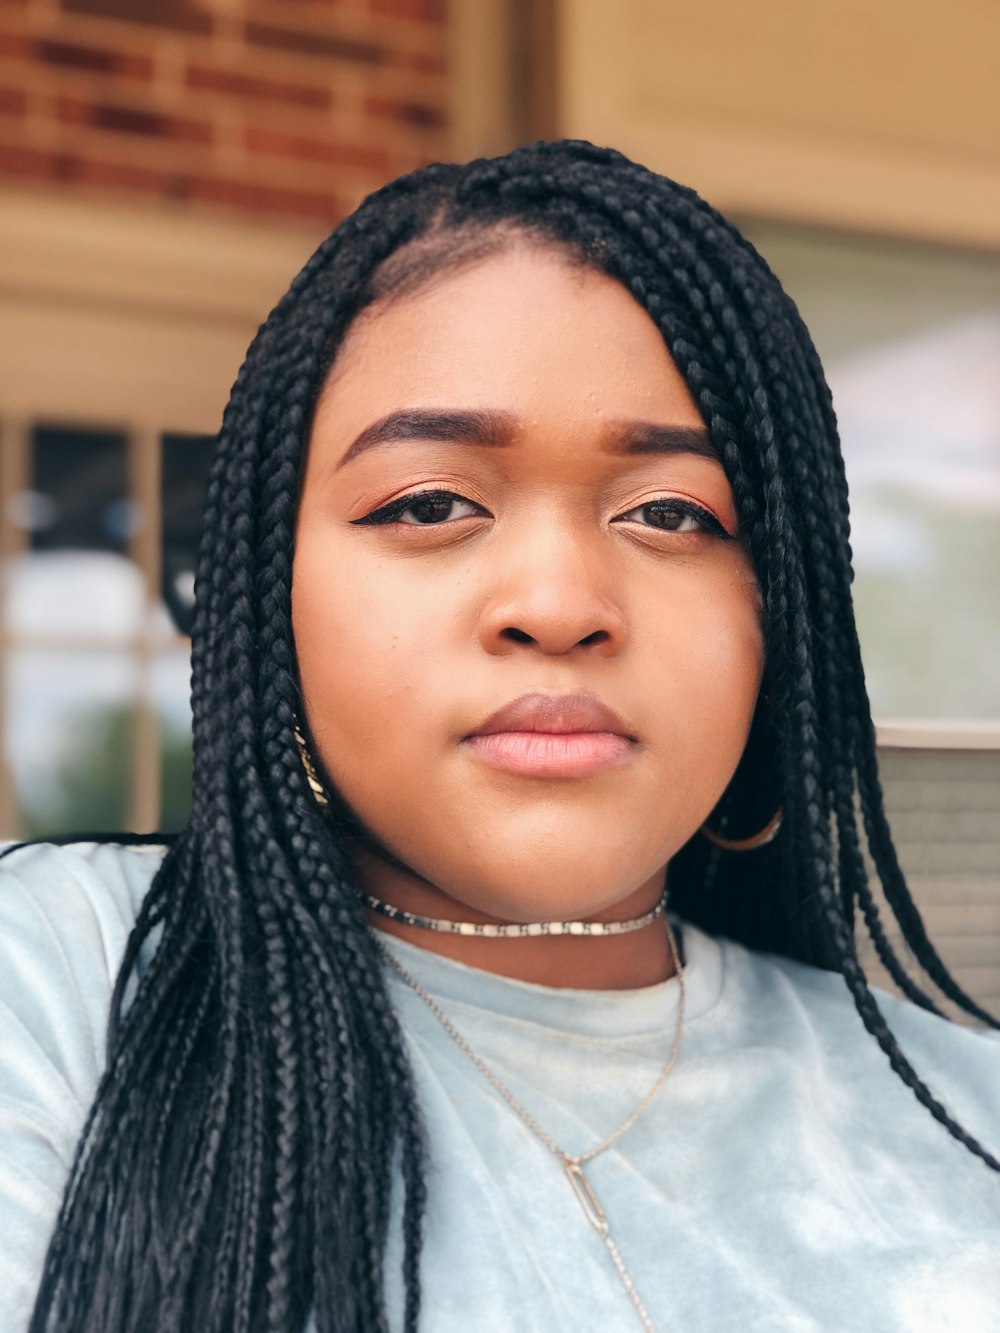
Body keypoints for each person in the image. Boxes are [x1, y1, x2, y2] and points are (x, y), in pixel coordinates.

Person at [1, 139, 997, 1333]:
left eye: (673, 513)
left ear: (779, 613)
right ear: (275, 591)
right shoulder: (62, 979)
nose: (559, 603)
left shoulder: (962, 1112)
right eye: (429, 504)